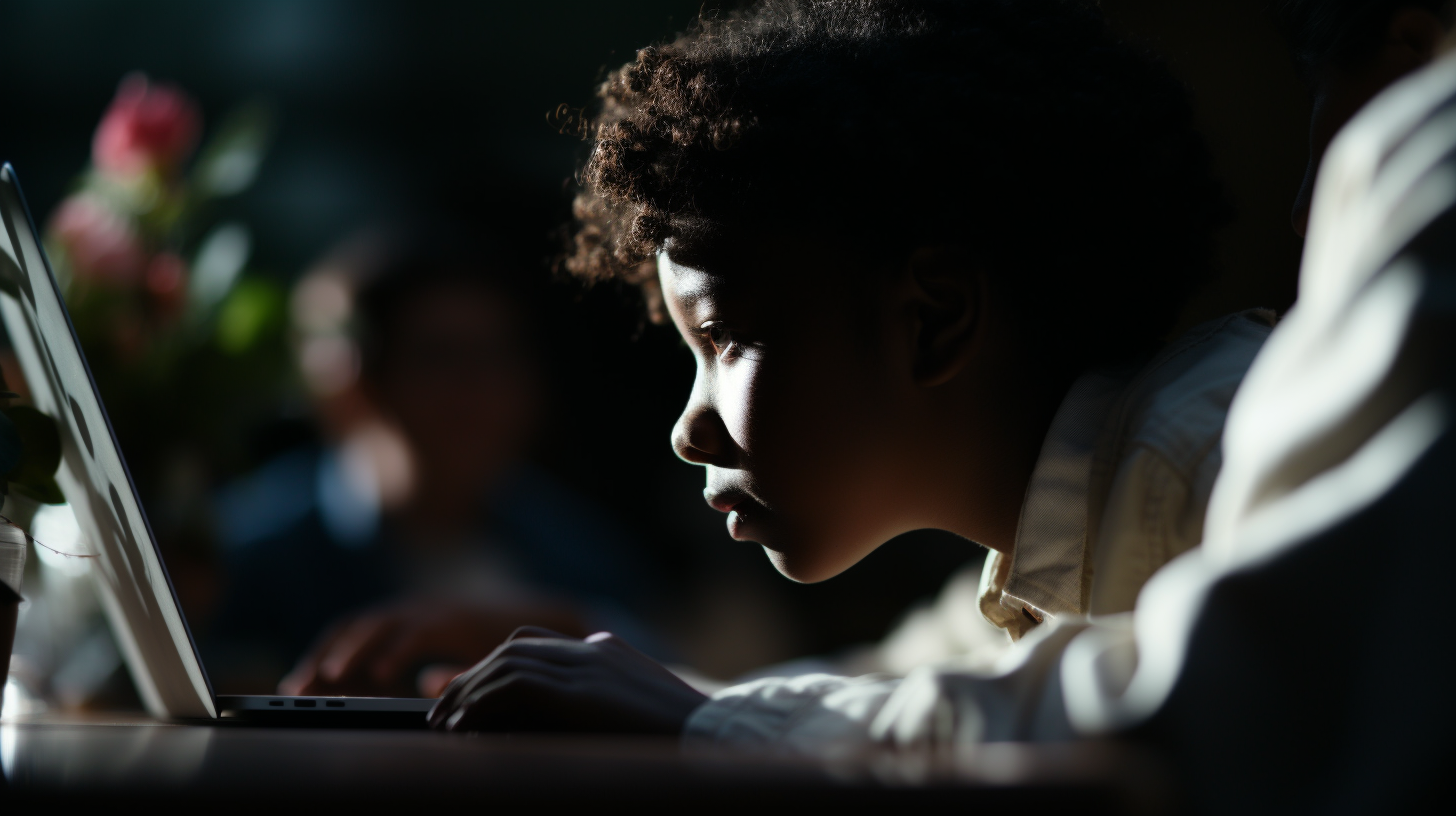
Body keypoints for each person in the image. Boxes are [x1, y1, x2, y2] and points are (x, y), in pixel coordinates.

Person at [426, 0, 1274, 739]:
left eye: (725, 340)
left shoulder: (1219, 448)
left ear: (934, 320)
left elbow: (1151, 714)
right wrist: (611, 660)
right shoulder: (1024, 566)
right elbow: (881, 697)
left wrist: (706, 720)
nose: (689, 430)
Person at [204, 232, 665, 697]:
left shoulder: (579, 554)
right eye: (440, 358)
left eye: (500, 355)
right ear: (354, 383)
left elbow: (667, 673)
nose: (481, 391)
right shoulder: (246, 552)